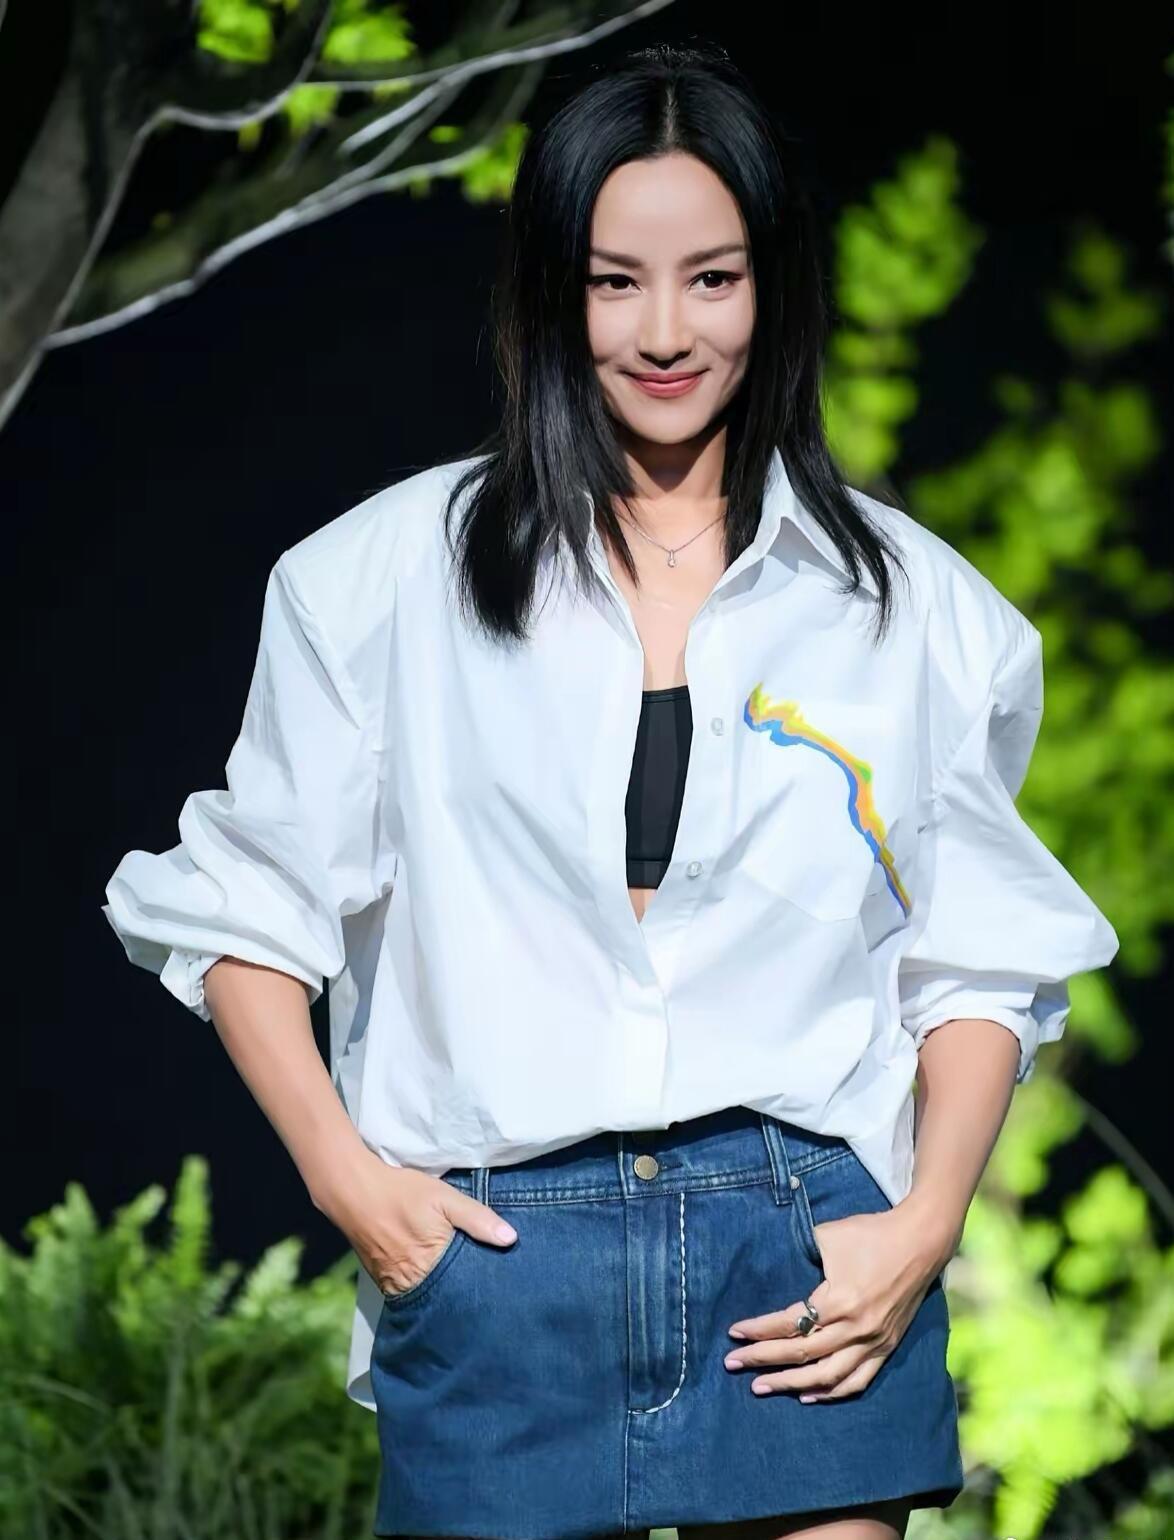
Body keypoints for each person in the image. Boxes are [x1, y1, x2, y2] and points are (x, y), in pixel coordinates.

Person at [102, 40, 1119, 1540]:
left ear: (775, 288)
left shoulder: (913, 607)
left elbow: (974, 962)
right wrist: (353, 1187)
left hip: (803, 1254)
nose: (664, 331)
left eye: (712, 279)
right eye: (613, 281)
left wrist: (923, 1226)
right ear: (546, 292)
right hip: (504, 1254)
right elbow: (246, 912)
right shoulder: (382, 579)